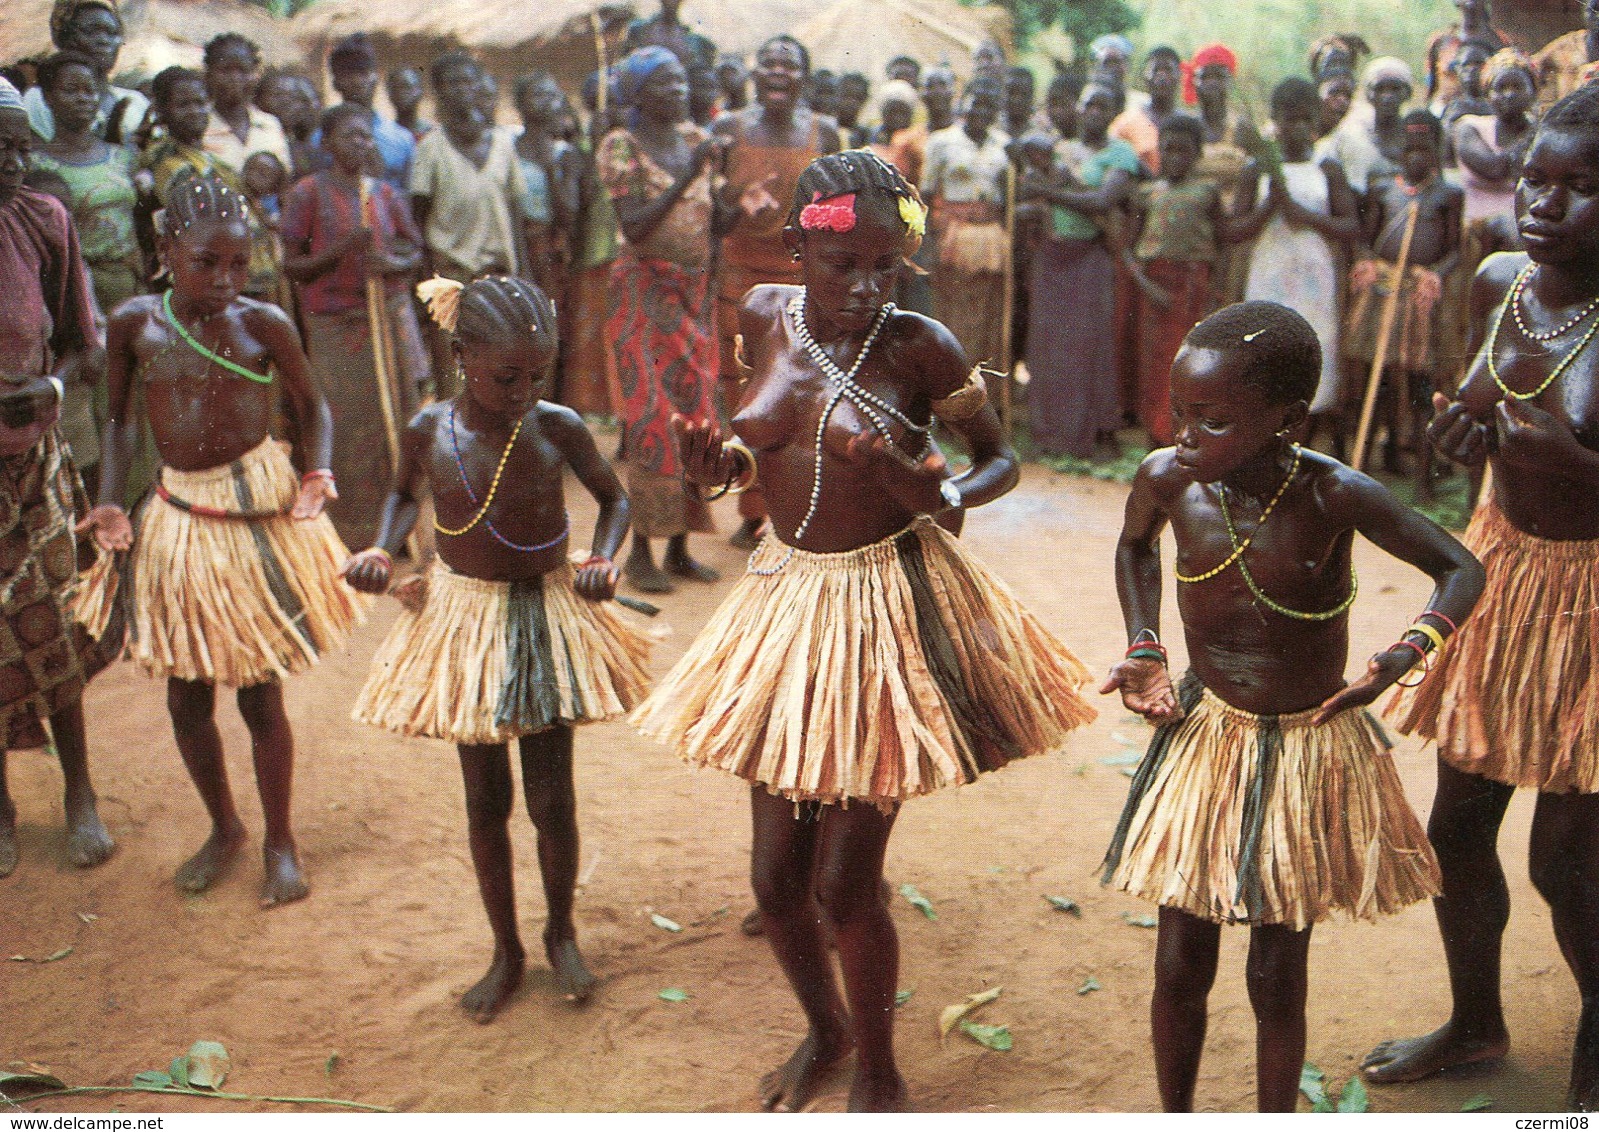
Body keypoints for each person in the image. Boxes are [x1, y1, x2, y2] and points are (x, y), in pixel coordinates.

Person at [634, 150, 1095, 1111]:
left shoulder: (919, 344)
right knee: (773, 882)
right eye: (844, 266)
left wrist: (941, 494)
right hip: (785, 603)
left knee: (845, 886)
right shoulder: (763, 314)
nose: (866, 287)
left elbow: (997, 460)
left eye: (885, 266)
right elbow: (741, 462)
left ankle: (880, 1070)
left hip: (885, 612)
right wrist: (708, 463)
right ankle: (826, 1033)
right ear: (799, 250)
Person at [1099, 299, 1483, 1112]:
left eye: (1212, 420)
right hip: (1205, 739)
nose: (1183, 435)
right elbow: (1133, 545)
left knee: (1276, 975)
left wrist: (1402, 655)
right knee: (1178, 964)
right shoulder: (1168, 480)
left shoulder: (1332, 495)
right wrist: (1143, 644)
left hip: (1303, 749)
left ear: (1285, 419)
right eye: (1179, 412)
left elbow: (1458, 568)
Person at [1364, 84, 1599, 1111]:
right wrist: (1454, 435)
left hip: (1595, 603)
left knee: (1570, 866)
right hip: (1504, 579)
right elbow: (1467, 414)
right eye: (1536, 180)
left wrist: (1584, 470)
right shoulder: (1503, 284)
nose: (1543, 204)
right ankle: (1475, 1023)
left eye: (1580, 187)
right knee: (1456, 829)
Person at [345, 274, 652, 1019]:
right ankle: (505, 948)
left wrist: (605, 558)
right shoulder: (428, 431)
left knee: (552, 799)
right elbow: (398, 494)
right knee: (485, 800)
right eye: (505, 375)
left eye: (535, 375)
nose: (522, 390)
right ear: (460, 355)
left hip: (544, 615)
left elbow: (614, 499)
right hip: (466, 621)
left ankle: (560, 935)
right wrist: (384, 550)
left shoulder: (559, 426)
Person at [89, 172, 365, 907]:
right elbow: (116, 420)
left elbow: (312, 406)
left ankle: (280, 839)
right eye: (206, 263)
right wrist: (111, 500)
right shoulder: (133, 325)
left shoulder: (263, 324)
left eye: (239, 264)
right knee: (186, 699)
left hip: (249, 511)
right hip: (181, 515)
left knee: (258, 694)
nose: (224, 280)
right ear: (165, 250)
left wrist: (317, 470)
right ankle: (225, 827)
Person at [0, 76, 118, 879]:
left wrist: (52, 389)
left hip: (34, 464)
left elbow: (85, 340)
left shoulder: (43, 222)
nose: (14, 161)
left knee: (56, 620)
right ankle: (1, 808)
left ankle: (80, 793)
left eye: (20, 145)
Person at [599, 48, 730, 593]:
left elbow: (710, 222)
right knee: (651, 417)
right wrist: (687, 179)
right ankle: (640, 554)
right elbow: (633, 224)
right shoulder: (620, 147)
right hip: (641, 293)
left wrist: (740, 209)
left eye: (681, 78)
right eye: (664, 80)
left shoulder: (699, 142)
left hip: (692, 294)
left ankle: (679, 546)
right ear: (638, 92)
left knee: (698, 415)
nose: (679, 88)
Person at [281, 103, 430, 551]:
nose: (361, 144)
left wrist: (392, 262)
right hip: (335, 324)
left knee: (401, 417)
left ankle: (403, 529)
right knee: (348, 426)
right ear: (326, 144)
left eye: (366, 136)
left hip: (387, 317)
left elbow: (414, 250)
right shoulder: (307, 193)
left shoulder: (384, 194)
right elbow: (293, 265)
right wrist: (342, 249)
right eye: (350, 136)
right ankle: (354, 533)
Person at [714, 35, 840, 551]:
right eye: (768, 63)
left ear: (804, 76)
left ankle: (792, 508)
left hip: (798, 276)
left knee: (799, 392)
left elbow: (838, 212)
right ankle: (752, 509)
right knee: (744, 392)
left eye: (789, 64)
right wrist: (742, 205)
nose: (778, 72)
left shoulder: (824, 132)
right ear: (754, 72)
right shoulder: (727, 130)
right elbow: (713, 217)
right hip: (738, 279)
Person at [32, 50, 142, 492]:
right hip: (72, 287)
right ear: (47, 97)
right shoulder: (35, 161)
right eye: (70, 90)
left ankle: (134, 498)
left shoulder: (123, 157)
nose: (83, 98)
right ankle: (91, 502)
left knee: (129, 394)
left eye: (91, 90)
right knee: (86, 392)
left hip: (126, 283)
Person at [1019, 81, 1141, 459]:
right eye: (1088, 105)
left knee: (1089, 346)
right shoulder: (1063, 150)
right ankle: (1049, 435)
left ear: (1113, 113)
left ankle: (1090, 434)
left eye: (1103, 107)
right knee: (1049, 345)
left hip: (1090, 256)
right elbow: (1026, 184)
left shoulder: (1121, 154)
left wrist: (1049, 194)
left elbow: (1103, 200)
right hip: (1053, 256)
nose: (1093, 113)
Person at [1127, 115, 1262, 447]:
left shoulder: (1207, 191)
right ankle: (1154, 437)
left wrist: (1214, 291)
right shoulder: (1147, 193)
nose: (1174, 158)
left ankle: (1178, 435)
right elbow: (1126, 250)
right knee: (1152, 362)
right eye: (1167, 150)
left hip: (1191, 284)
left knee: (1187, 359)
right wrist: (1148, 287)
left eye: (1183, 151)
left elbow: (1226, 236)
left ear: (1197, 154)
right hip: (1153, 283)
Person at [1341, 112, 1461, 485]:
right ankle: (1364, 464)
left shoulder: (1447, 195)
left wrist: (1433, 276)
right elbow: (1365, 236)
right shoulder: (1382, 189)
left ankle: (1423, 478)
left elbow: (1454, 250)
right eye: (1408, 150)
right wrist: (1368, 264)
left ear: (1437, 151)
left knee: (1421, 386)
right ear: (1398, 151)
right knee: (1376, 382)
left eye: (1424, 150)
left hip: (1418, 298)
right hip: (1381, 293)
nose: (1415, 158)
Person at [1242, 78, 1359, 436]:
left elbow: (1350, 225)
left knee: (1312, 346)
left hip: (1313, 277)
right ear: (1274, 120)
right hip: (1269, 272)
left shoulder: (1328, 169)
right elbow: (1234, 230)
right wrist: (1270, 205)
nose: (1297, 129)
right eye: (1288, 120)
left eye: (1306, 120)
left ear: (1316, 122)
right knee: (1264, 347)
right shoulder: (1257, 168)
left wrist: (1304, 215)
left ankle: (1301, 439)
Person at [410, 51, 526, 397]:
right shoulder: (431, 148)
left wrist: (525, 271)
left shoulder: (504, 145)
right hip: (449, 272)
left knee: (500, 359)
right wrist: (426, 279)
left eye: (468, 81)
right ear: (439, 92)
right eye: (451, 83)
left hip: (498, 270)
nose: (461, 90)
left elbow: (515, 213)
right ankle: (455, 440)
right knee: (452, 361)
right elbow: (419, 215)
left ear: (480, 87)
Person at [922, 77, 1011, 383]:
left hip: (991, 235)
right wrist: (930, 242)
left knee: (989, 312)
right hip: (953, 235)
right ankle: (950, 390)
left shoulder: (1004, 144)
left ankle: (988, 393)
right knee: (955, 314)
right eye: (976, 103)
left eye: (989, 105)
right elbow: (925, 193)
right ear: (964, 105)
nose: (981, 111)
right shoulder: (941, 142)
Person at [1185, 43, 1263, 308]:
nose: (1212, 83)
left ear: (1228, 82)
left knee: (1229, 301)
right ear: (1194, 82)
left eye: (1219, 76)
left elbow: (1260, 174)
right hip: (1195, 231)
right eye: (1205, 76)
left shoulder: (1241, 129)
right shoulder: (1186, 128)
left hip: (1233, 232)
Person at [23, 0, 148, 146]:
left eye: (112, 33)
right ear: (67, 37)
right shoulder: (39, 99)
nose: (104, 40)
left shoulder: (136, 102)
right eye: (92, 31)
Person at [511, 71, 581, 301]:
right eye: (539, 94)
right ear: (520, 104)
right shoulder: (508, 149)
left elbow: (569, 215)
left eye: (553, 95)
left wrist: (550, 167)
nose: (548, 101)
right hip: (521, 245)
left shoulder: (566, 153)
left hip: (559, 250)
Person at [323, 33, 416, 193]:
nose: (357, 82)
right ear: (335, 83)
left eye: (363, 73)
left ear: (376, 78)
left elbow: (409, 196)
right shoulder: (320, 137)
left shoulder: (401, 138)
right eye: (347, 75)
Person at [1316, 57, 1414, 203]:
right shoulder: (1352, 136)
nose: (1387, 97)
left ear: (1407, 93)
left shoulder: (1414, 136)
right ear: (1368, 94)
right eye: (1379, 89)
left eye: (1395, 88)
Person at [201, 34, 292, 178]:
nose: (235, 79)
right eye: (225, 70)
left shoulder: (270, 124)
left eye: (243, 70)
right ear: (208, 74)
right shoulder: (198, 125)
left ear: (256, 74)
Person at [1426, 0, 1511, 114]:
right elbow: (1431, 85)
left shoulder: (1499, 41)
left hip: (1487, 111)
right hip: (1446, 109)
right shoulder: (1441, 42)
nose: (1470, 2)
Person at [1112, 47, 1182, 175]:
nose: (1162, 77)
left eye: (1168, 70)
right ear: (1145, 76)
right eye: (1156, 70)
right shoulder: (1125, 123)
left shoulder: (1188, 123)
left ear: (1179, 76)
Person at [1533, 0, 1599, 112]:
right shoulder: (1567, 45)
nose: (1597, 16)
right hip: (1567, 120)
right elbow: (1533, 66)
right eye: (1593, 10)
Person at [255, 71, 322, 181]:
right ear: (259, 100)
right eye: (277, 95)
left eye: (292, 96)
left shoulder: (305, 145)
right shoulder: (257, 137)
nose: (286, 101)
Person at [387, 66, 432, 142]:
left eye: (406, 86)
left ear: (420, 92)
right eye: (395, 88)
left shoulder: (434, 135)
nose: (401, 93)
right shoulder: (385, 136)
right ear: (390, 96)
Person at [836, 72, 871, 148]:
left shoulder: (866, 136)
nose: (851, 102)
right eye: (846, 96)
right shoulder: (825, 131)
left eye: (857, 98)